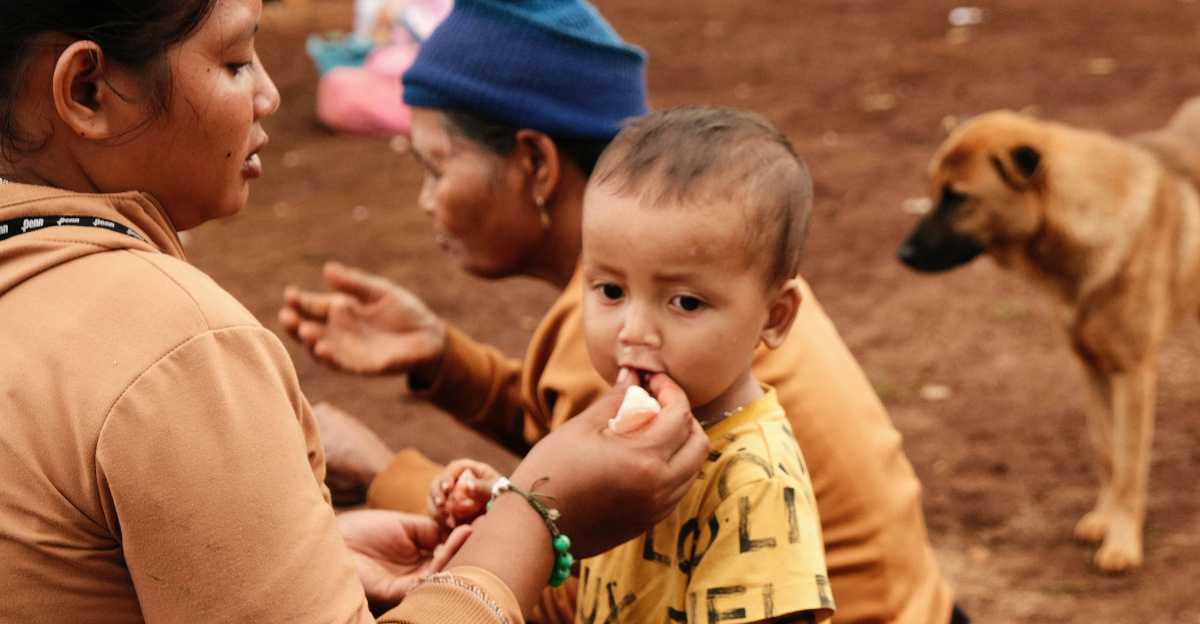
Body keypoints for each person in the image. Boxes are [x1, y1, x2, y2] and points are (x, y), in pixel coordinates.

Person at [0, 1, 709, 622]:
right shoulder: (175, 349)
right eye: (237, 60)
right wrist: (532, 518)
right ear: (87, 90)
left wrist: (315, 544)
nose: (272, 93)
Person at [280, 0, 964, 623]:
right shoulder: (706, 270)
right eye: (610, 293)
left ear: (535, 163)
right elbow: (574, 441)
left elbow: (554, 574)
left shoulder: (706, 417)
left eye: (436, 167)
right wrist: (444, 359)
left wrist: (383, 475)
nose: (426, 199)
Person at [427, 107, 837, 624]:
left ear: (774, 317)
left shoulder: (754, 481)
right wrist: (511, 501)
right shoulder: (622, 436)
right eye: (611, 290)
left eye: (685, 302)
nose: (633, 331)